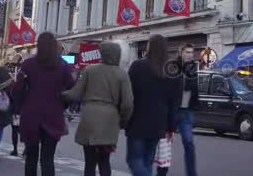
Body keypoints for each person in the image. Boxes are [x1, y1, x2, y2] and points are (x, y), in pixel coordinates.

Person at [63, 41, 134, 176]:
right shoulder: (122, 74)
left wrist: (59, 95)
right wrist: (122, 122)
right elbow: (128, 103)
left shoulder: (90, 70)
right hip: (110, 120)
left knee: (89, 162)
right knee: (104, 161)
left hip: (89, 117)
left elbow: (75, 93)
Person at [12, 32, 76, 176]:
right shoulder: (62, 65)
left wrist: (19, 107)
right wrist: (62, 105)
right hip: (53, 115)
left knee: (31, 158)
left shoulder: (28, 64)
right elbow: (72, 90)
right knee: (47, 159)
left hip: (31, 114)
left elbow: (18, 89)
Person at [126, 35, 179, 176]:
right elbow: (174, 102)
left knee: (134, 160)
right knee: (147, 161)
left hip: (137, 120)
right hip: (159, 123)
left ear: (149, 47)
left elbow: (127, 94)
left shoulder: (138, 66)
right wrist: (171, 127)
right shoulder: (171, 70)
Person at [171, 43, 199, 176]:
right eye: (187, 52)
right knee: (163, 143)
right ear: (181, 52)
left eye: (191, 52)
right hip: (172, 110)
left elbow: (193, 87)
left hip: (186, 111)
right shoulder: (173, 66)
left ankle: (191, 173)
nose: (190, 55)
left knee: (189, 142)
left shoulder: (193, 68)